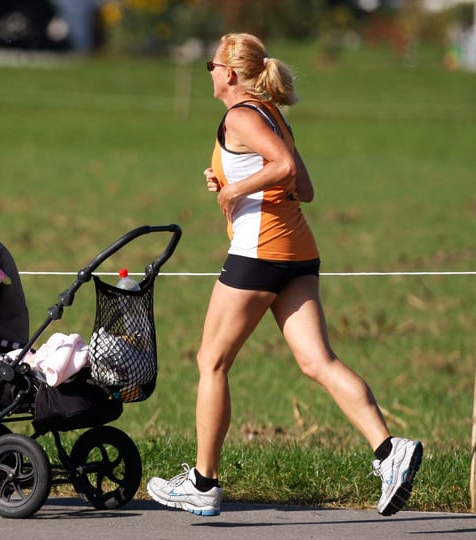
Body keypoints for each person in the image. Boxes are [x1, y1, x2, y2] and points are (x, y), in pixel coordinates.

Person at [146, 33, 423, 517]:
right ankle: (389, 450)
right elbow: (305, 187)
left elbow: (284, 166)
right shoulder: (271, 115)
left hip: (259, 253)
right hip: (298, 252)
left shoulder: (239, 115)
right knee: (318, 362)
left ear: (229, 73)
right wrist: (233, 181)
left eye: (212, 64)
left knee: (211, 360)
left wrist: (235, 194)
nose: (208, 71)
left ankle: (203, 483)